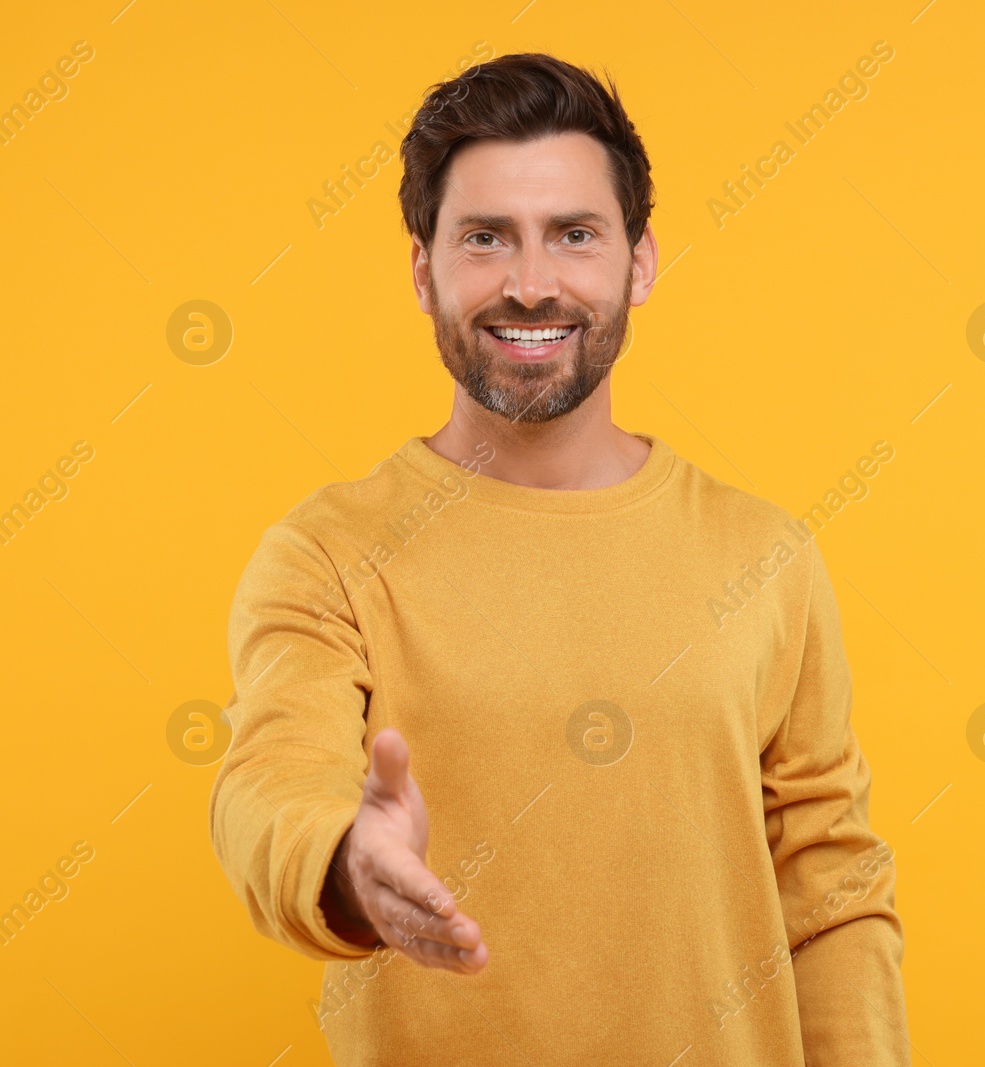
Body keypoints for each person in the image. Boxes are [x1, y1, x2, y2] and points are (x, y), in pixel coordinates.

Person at [208, 52, 909, 1067]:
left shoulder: (765, 556)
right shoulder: (327, 554)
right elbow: (269, 779)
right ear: (422, 270)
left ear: (638, 261)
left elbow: (831, 881)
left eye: (573, 235)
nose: (530, 284)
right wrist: (346, 860)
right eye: (485, 238)